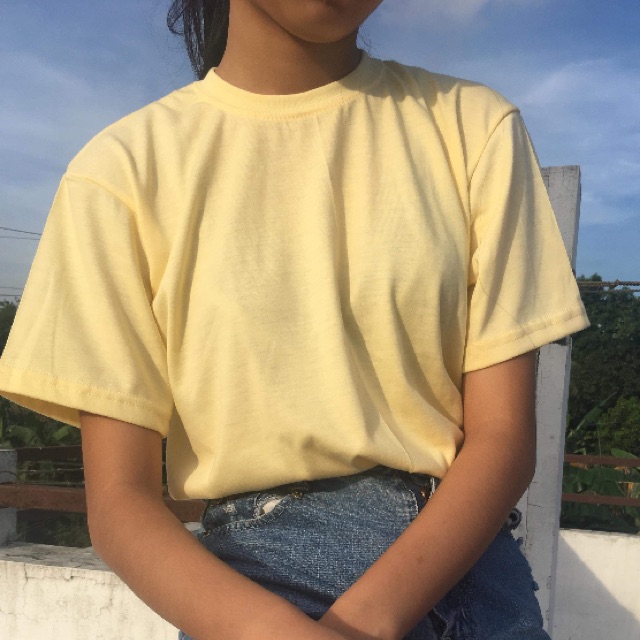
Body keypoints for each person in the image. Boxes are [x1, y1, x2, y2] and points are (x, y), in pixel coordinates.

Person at [0, 1, 591, 639]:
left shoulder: (474, 127)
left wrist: (361, 622)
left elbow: (503, 441)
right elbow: (121, 504)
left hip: (471, 586)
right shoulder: (119, 175)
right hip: (252, 599)